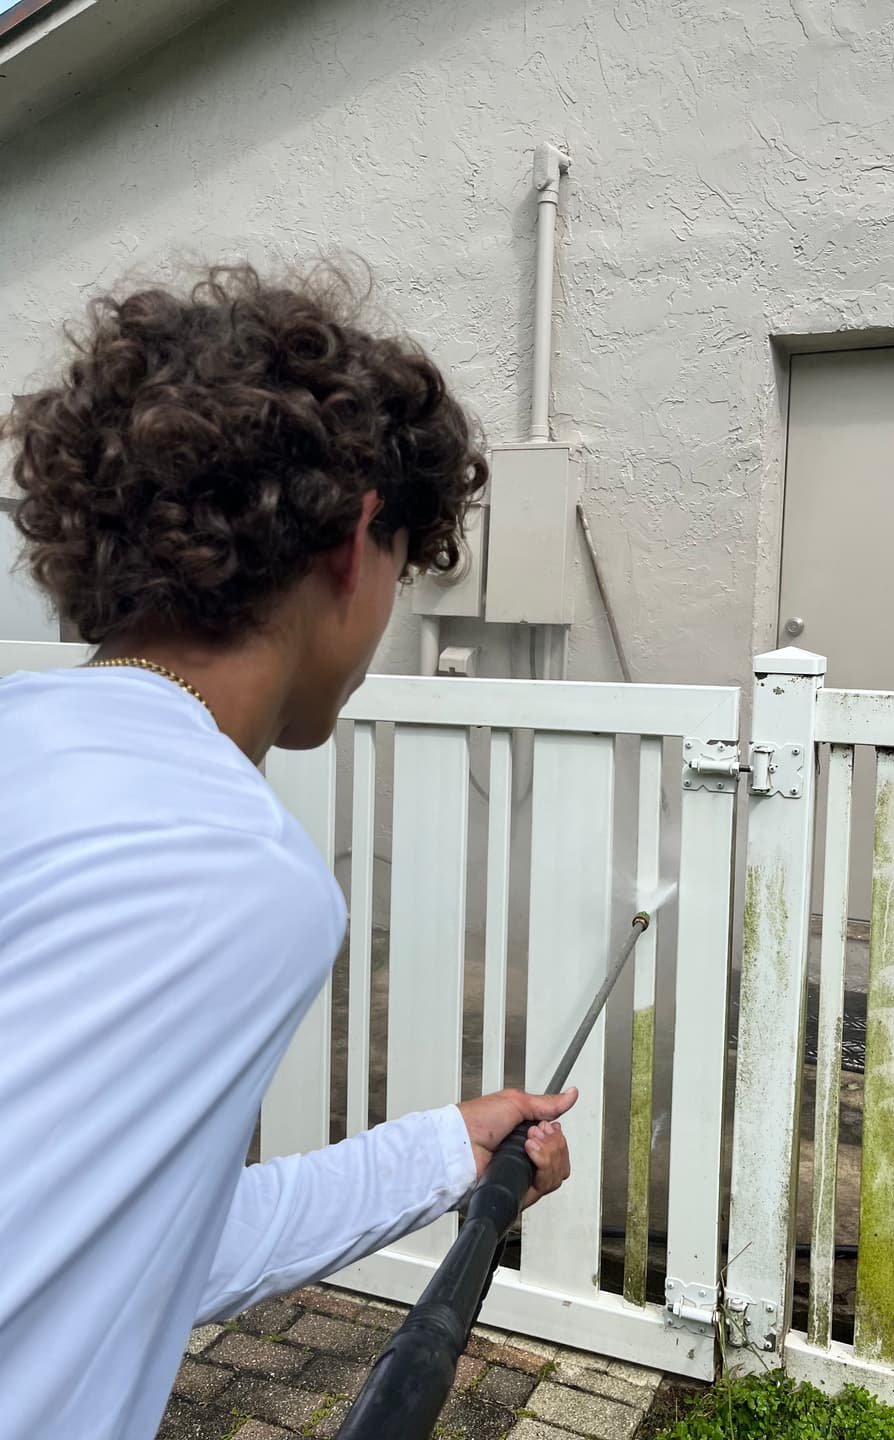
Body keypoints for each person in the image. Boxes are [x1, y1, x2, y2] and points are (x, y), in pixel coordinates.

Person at [0, 264, 576, 1439]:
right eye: (407, 566)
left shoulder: (31, 749)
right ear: (359, 538)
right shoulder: (223, 864)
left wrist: (438, 1153)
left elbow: (122, 1252)